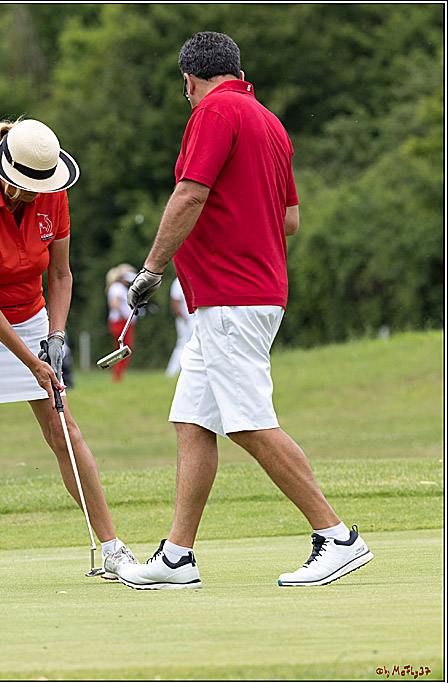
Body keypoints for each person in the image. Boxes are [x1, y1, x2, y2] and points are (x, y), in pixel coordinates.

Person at [118, 32, 372, 589]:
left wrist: (152, 270)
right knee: (193, 420)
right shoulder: (268, 121)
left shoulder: (211, 112)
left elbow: (189, 194)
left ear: (189, 79)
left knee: (250, 424)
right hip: (245, 293)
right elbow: (288, 221)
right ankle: (177, 556)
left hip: (232, 296)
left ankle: (337, 537)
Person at [0, 118, 138, 592]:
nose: (39, 192)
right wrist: (32, 362)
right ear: (9, 174)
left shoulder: (54, 197)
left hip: (31, 314)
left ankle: (114, 549)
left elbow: (60, 276)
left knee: (64, 430)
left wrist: (55, 337)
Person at [105, 265, 137, 382]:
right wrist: (125, 317)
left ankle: (119, 375)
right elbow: (115, 304)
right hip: (120, 322)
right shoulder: (118, 287)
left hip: (119, 321)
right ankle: (118, 376)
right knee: (123, 349)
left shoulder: (117, 287)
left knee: (122, 349)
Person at [165, 278, 192, 378]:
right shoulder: (178, 281)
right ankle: (172, 371)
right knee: (182, 344)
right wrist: (183, 318)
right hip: (186, 320)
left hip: (195, 319)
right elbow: (175, 303)